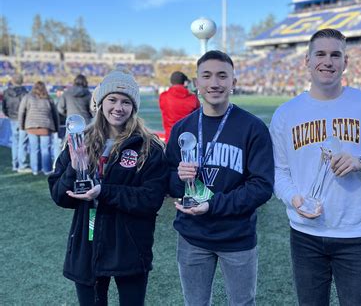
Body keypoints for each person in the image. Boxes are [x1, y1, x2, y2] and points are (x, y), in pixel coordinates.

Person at [270, 28, 361, 306]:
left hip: (355, 236)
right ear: (307, 61)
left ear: (345, 62)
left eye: (336, 55)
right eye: (320, 54)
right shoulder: (286, 113)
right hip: (305, 235)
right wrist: (293, 198)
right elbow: (278, 170)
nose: (328, 61)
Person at [48, 68, 169, 305]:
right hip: (89, 237)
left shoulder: (148, 146)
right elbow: (60, 196)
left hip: (130, 241)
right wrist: (74, 168)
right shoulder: (80, 140)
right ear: (101, 102)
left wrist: (105, 191)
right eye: (112, 99)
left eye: (126, 101)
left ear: (133, 107)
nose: (118, 107)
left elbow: (151, 198)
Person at [166, 50, 274, 306]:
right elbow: (168, 179)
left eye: (222, 76)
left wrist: (213, 205)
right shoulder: (183, 128)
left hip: (237, 237)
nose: (214, 83)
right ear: (197, 83)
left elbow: (262, 186)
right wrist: (180, 179)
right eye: (207, 76)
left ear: (233, 82)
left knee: (242, 303)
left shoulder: (253, 127)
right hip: (192, 236)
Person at [18, 81, 59, 175]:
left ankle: (35, 170)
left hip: (31, 126)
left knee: (34, 149)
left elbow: (21, 112)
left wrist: (21, 126)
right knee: (46, 149)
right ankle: (47, 170)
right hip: (46, 127)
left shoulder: (27, 97)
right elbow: (55, 114)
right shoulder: (48, 98)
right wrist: (56, 128)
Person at [159, 71, 200, 143]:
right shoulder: (193, 99)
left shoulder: (163, 97)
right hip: (188, 141)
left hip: (170, 139)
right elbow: (198, 117)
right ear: (185, 83)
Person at [1, 73, 30, 172]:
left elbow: (4, 107)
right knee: (22, 143)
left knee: (15, 142)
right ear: (22, 81)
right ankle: (22, 165)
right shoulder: (25, 93)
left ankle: (15, 164)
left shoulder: (6, 92)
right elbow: (28, 108)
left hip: (12, 118)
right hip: (22, 119)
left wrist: (9, 115)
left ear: (12, 81)